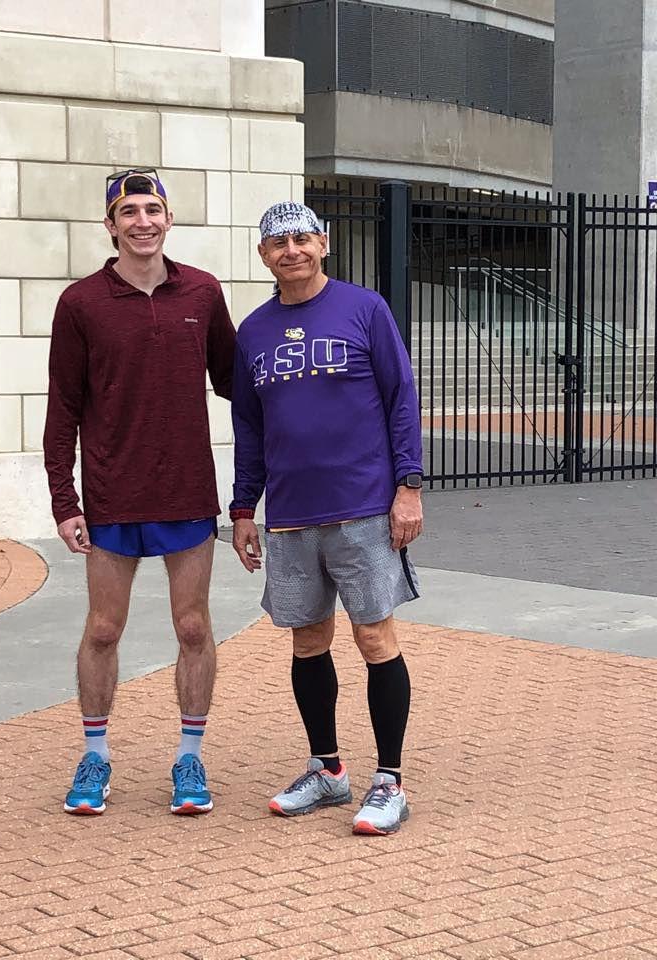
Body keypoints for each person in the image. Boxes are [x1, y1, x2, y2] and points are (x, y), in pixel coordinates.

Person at [43, 168, 235, 816]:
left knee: (191, 626)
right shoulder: (80, 304)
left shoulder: (204, 294)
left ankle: (189, 758)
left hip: (186, 492)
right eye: (130, 212)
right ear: (111, 225)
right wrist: (63, 502)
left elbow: (240, 383)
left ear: (169, 218)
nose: (143, 222)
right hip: (111, 493)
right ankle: (95, 757)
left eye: (153, 209)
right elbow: (62, 408)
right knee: (102, 628)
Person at [230, 201, 424, 835]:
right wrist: (242, 506)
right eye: (277, 241)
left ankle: (389, 780)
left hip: (363, 507)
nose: (291, 250)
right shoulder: (253, 332)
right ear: (263, 256)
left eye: (302, 238)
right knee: (308, 641)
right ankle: (328, 770)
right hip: (289, 515)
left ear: (324, 244)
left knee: (374, 639)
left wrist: (408, 486)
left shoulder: (364, 308)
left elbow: (401, 397)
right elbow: (249, 427)